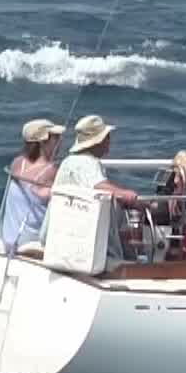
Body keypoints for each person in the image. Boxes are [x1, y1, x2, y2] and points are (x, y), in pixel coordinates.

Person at [52, 114, 143, 266]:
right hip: (86, 240)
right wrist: (128, 196)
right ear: (98, 141)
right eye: (107, 137)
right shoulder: (88, 163)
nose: (109, 141)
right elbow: (100, 187)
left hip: (66, 234)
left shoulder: (67, 162)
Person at [0, 118, 62, 250]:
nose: (60, 141)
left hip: (6, 242)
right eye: (56, 137)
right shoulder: (50, 171)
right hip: (30, 245)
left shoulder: (17, 163)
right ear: (43, 143)